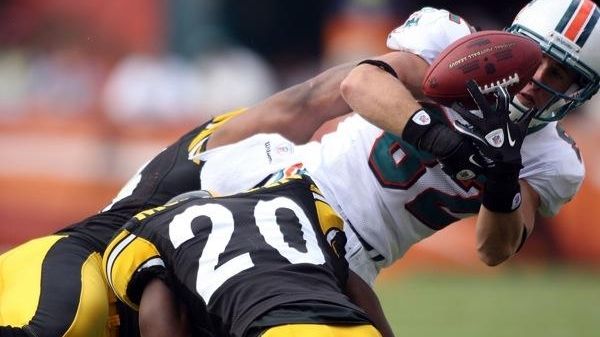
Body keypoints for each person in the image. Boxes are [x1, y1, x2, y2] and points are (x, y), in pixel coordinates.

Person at [201, 0, 599, 286]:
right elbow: (360, 82)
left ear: (580, 92)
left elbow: (494, 250)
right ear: (514, 42)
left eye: (560, 74)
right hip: (296, 183)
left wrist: (502, 179)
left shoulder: (553, 158)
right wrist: (445, 141)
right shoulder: (453, 49)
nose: (538, 79)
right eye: (539, 57)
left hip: (356, 256)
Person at [103, 166, 386, 337]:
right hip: (358, 328)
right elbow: (354, 286)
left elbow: (161, 321)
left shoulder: (154, 232)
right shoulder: (290, 198)